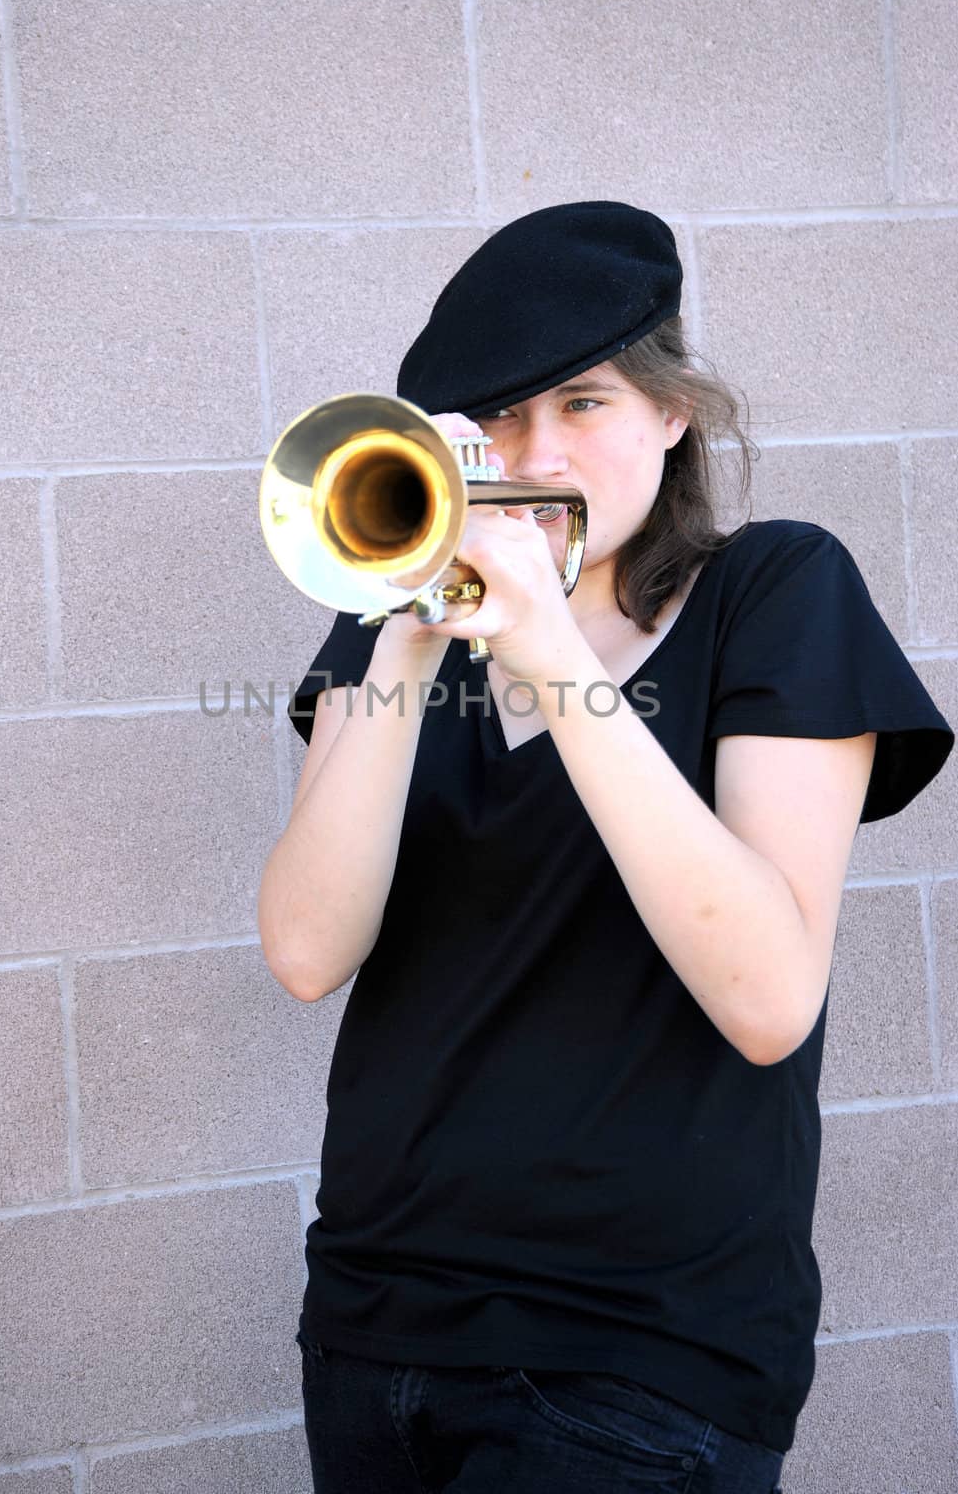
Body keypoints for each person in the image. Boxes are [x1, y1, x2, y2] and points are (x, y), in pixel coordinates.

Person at [258, 202, 954, 1494]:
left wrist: (552, 657)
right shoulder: (389, 624)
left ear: (671, 409)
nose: (539, 452)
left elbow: (765, 997)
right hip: (377, 1323)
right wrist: (415, 624)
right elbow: (306, 949)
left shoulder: (775, 592)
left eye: (582, 403)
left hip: (640, 1358)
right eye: (500, 420)